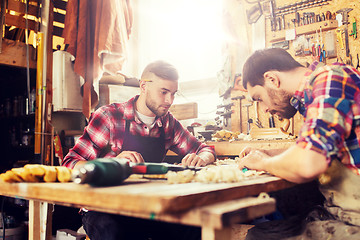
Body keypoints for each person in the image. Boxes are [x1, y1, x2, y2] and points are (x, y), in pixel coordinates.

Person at [62, 60, 216, 240]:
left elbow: (204, 149)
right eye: (164, 92)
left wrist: (202, 158)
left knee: (194, 229)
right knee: (117, 233)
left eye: (173, 94)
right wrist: (111, 164)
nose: (169, 101)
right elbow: (69, 164)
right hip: (103, 208)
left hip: (146, 205)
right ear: (144, 86)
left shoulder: (168, 123)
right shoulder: (109, 117)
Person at [238, 48, 360, 239]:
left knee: (260, 237)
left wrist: (262, 162)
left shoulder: (330, 79)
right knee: (273, 207)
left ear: (272, 79)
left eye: (259, 98)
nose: (264, 109)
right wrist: (269, 154)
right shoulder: (310, 98)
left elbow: (310, 162)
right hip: (343, 208)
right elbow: (319, 149)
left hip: (355, 219)